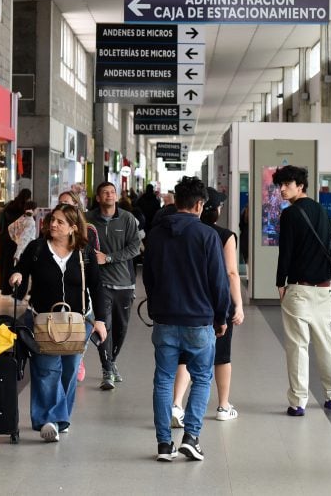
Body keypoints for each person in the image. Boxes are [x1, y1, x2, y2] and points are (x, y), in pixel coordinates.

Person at [143, 177, 230, 462]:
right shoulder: (207, 236)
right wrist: (221, 316)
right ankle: (191, 437)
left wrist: (157, 309)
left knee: (164, 381)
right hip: (199, 320)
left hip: (165, 320)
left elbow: (149, 278)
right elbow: (218, 282)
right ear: (199, 204)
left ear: (176, 201)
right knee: (203, 377)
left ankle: (164, 445)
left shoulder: (155, 235)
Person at [9, 203, 107, 442]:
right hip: (43, 320)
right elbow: (21, 267)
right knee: (46, 371)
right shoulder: (37, 248)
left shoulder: (85, 254)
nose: (53, 224)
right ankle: (51, 420)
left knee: (70, 371)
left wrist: (101, 320)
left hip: (77, 322)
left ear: (73, 227)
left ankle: (58, 418)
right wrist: (18, 275)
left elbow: (97, 287)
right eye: (53, 219)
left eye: (60, 221)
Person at [170, 187, 245, 425]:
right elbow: (231, 273)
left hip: (190, 301)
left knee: (186, 355)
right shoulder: (225, 235)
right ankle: (223, 406)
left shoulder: (185, 231)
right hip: (217, 302)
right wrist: (238, 305)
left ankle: (176, 405)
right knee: (221, 355)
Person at [272, 164, 331, 416]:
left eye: (286, 184)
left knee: (297, 347)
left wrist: (280, 283)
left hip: (299, 290)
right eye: (279, 185)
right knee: (327, 344)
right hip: (325, 289)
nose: (281, 189)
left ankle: (298, 401)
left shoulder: (290, 215)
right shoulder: (321, 210)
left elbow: (286, 253)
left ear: (299, 186)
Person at [86, 181, 142, 390]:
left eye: (112, 192)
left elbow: (135, 248)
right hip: (100, 284)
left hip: (124, 283)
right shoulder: (88, 219)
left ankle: (112, 360)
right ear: (98, 198)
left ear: (116, 196)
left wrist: (108, 258)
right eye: (104, 193)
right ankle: (107, 369)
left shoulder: (127, 219)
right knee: (104, 326)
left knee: (120, 330)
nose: (109, 195)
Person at [59, 189, 99, 383]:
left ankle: (78, 356)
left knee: (84, 323)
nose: (63, 207)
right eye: (60, 203)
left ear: (77, 205)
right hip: (60, 290)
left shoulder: (88, 230)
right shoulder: (52, 227)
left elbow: (94, 260)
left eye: (67, 203)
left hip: (84, 288)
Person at [0, 188, 32, 295]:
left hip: (4, 238)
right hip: (15, 240)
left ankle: (5, 288)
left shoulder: (10, 205)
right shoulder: (23, 209)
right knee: (18, 264)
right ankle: (16, 288)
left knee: (5, 263)